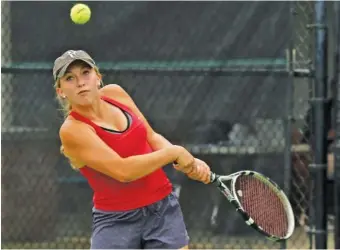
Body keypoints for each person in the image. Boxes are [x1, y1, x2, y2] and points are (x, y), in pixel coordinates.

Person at [53, 50, 211, 249]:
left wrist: (192, 163)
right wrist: (174, 153)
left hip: (162, 210)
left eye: (86, 72)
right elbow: (123, 171)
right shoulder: (72, 130)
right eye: (70, 78)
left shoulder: (115, 93)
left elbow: (152, 137)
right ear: (61, 91)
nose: (80, 82)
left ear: (98, 78)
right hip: (116, 222)